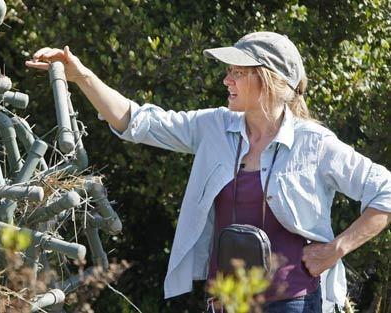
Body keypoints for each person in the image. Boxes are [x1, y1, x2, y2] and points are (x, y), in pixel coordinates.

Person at [26, 32, 391, 312]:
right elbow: (137, 121)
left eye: (237, 72)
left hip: (292, 301)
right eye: (228, 71)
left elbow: (385, 192)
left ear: (268, 79)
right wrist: (82, 76)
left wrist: (334, 250)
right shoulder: (215, 127)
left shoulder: (315, 143)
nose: (226, 81)